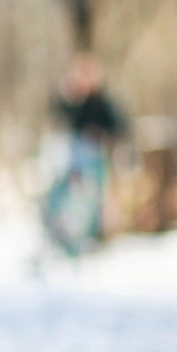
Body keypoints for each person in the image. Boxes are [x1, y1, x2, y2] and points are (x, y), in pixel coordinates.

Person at [44, 52, 126, 255]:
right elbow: (58, 118)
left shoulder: (102, 104)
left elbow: (118, 128)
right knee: (68, 199)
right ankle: (64, 236)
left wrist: (101, 137)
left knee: (90, 200)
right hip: (72, 161)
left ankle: (90, 237)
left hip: (93, 161)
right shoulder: (71, 101)